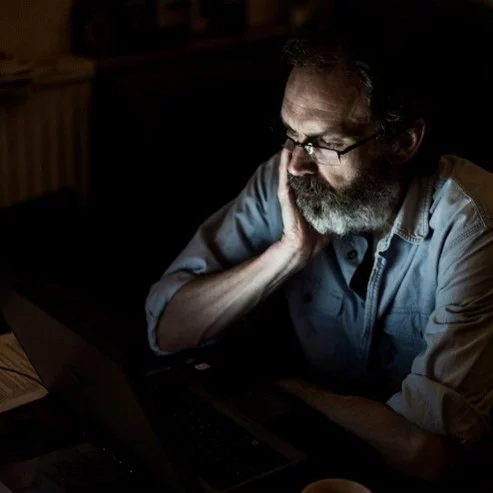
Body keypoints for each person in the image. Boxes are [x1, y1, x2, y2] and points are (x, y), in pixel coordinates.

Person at [145, 18, 493, 484]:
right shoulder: (289, 177)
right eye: (291, 134)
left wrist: (285, 392)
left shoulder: (472, 224)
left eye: (328, 143)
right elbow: (167, 329)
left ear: (403, 141)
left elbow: (428, 453)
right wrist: (286, 253)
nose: (300, 162)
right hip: (325, 457)